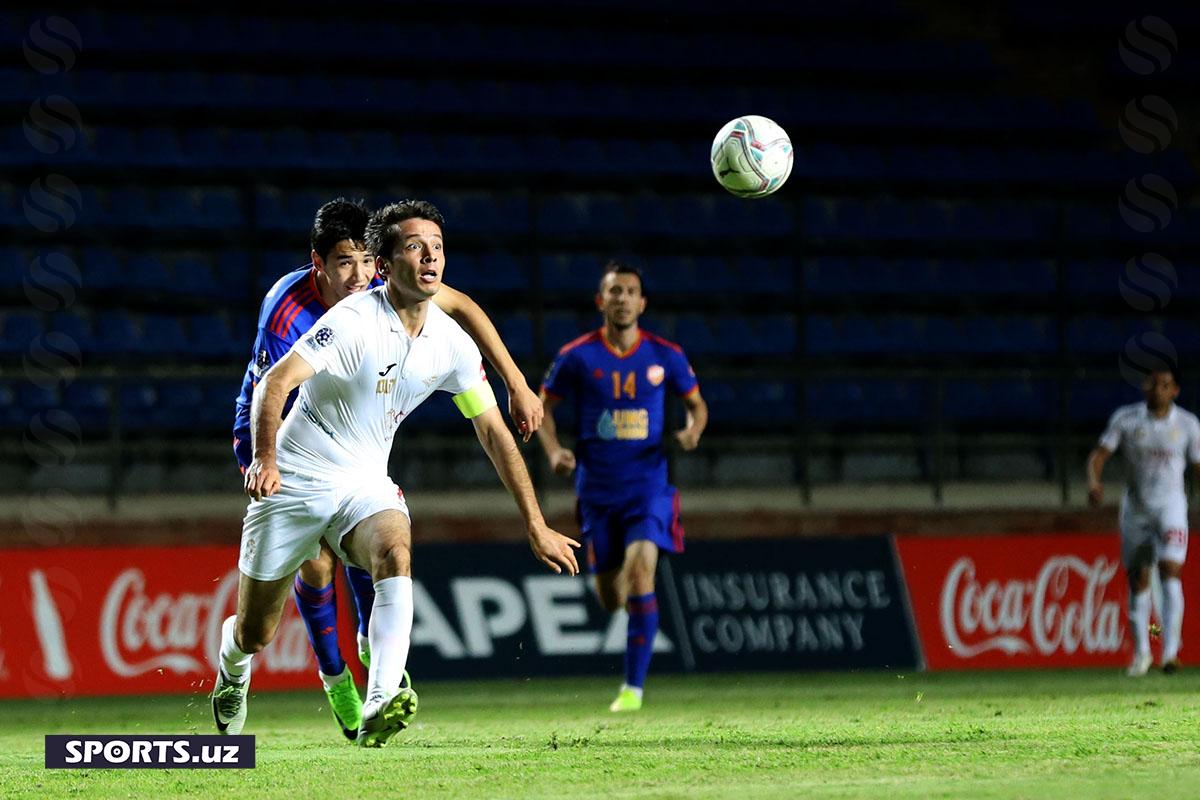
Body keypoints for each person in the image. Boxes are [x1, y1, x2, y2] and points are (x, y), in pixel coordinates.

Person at [227, 198, 549, 741]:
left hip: (362, 473)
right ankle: (242, 665)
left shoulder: (441, 332)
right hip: (289, 458)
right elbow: (271, 386)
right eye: (414, 248)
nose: (428, 259)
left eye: (437, 249)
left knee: (393, 546)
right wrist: (265, 458)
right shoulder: (330, 315)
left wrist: (516, 385)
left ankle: (379, 693)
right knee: (269, 617)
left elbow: (490, 420)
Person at [537, 261, 707, 712]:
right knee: (612, 598)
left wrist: (693, 430)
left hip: (649, 487)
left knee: (641, 573)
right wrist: (553, 451)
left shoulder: (665, 355)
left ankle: (632, 689)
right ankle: (608, 584)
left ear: (642, 302)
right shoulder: (577, 356)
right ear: (601, 301)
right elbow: (543, 408)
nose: (623, 299)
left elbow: (697, 405)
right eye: (615, 291)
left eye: (631, 291)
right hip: (597, 491)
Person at [1087, 367, 1200, 676]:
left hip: (1171, 508)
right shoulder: (1126, 419)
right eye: (1153, 383)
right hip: (1136, 511)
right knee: (1138, 580)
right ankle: (1142, 654)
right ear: (1145, 386)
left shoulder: (1189, 424)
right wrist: (1094, 482)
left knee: (1170, 569)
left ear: (1175, 390)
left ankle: (1171, 652)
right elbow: (1099, 455)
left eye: (1165, 385)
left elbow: (1198, 465)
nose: (1157, 389)